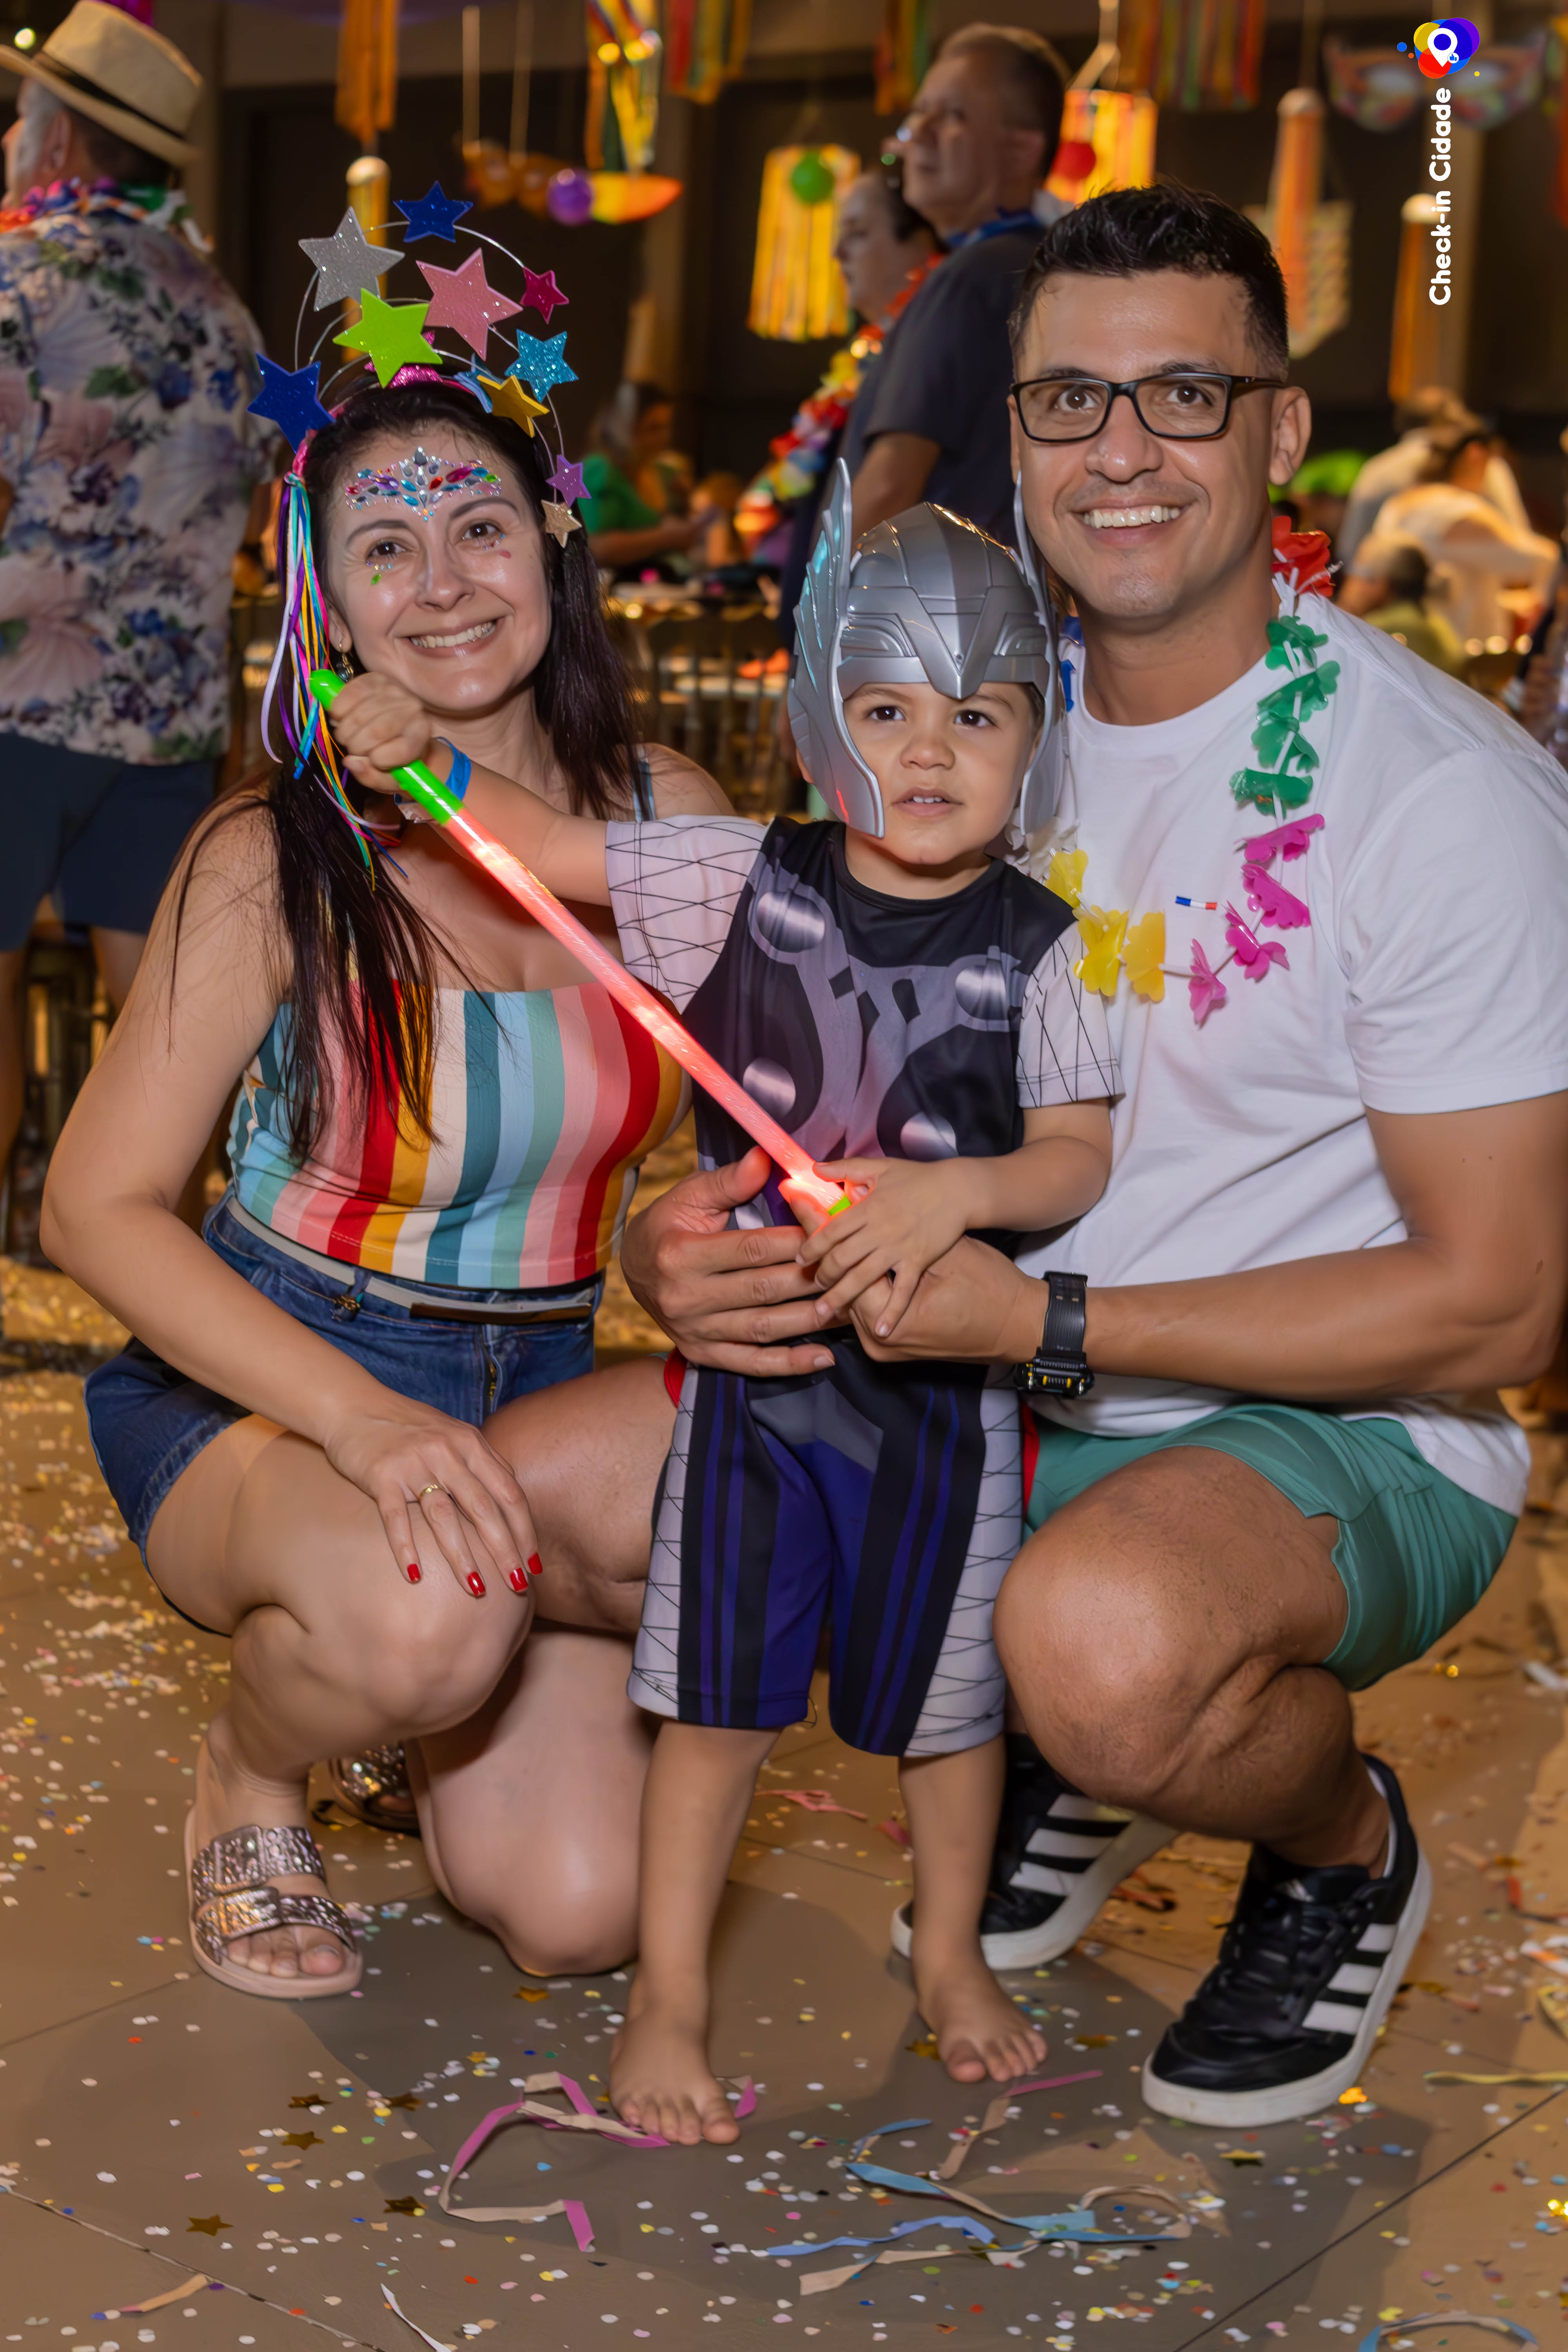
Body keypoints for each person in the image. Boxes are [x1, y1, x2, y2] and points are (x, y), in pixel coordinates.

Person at [610, 183, 1568, 2130]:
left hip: (1328, 1423)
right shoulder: (954, 723)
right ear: (1014, 432)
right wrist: (670, 1240)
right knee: (543, 1497)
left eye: (1180, 395)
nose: (1117, 449)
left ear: (1278, 431)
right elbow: (802, 1059)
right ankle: (1042, 1730)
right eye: (1068, 401)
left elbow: (1497, 1302)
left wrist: (1040, 1322)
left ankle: (1330, 1845)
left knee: (1101, 1643)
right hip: (955, 1371)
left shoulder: (1433, 797)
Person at [325, 480, 1115, 2139]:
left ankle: (951, 1953)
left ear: (1034, 740)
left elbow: (1069, 1154)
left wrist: (956, 1195)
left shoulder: (1053, 943)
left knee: (949, 1715)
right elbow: (534, 843)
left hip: (946, 1417)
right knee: (711, 1715)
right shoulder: (729, 875)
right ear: (822, 721)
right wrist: (414, 747)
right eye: (883, 710)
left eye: (974, 715)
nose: (926, 749)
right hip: (750, 1405)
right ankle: (670, 1996)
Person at [41, 372, 731, 1996]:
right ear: (330, 608)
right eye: (384, 550)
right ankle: (255, 1767)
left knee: (580, 1911)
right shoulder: (272, 855)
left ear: (554, 548)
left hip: (543, 1382)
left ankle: (428, 1677)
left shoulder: (666, 819)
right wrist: (359, 1422)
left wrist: (676, 1240)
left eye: (480, 528)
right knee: (423, 1620)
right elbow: (92, 1207)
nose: (441, 586)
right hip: (278, 1385)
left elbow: (764, 1131)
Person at [0, 2, 268, 1179]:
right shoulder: (222, 307)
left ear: (58, 139)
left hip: (16, 698)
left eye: (20, 116)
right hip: (168, 715)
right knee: (161, 1036)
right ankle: (173, 1274)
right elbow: (250, 512)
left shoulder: (19, 279)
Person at [850, 22, 1064, 542]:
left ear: (1020, 151)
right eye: (919, 111)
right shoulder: (1048, 269)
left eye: (952, 115)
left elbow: (888, 488)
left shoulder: (971, 277)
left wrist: (824, 593)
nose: (917, 132)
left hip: (926, 591)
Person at [739, 167, 939, 631]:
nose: (837, 253)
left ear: (922, 240)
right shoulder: (872, 353)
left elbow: (888, 489)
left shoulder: (925, 345)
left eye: (859, 233)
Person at [1346, 426, 1557, 650]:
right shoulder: (1461, 510)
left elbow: (1438, 583)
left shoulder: (1397, 506)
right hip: (1454, 652)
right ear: (1475, 455)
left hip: (1395, 644)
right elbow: (1545, 560)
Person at [1337, 386, 1530, 570]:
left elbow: (1350, 552)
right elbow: (1521, 543)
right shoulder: (1482, 464)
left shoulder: (1376, 471)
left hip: (1387, 584)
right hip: (1468, 585)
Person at [581, 382, 713, 575]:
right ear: (624, 428)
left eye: (667, 426)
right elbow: (595, 548)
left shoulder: (663, 472)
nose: (665, 437)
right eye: (653, 428)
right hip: (614, 588)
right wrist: (666, 537)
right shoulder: (600, 470)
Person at [1358, 543, 1466, 677]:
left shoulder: (1379, 627)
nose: (1360, 587)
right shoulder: (1435, 620)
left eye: (1369, 579)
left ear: (1383, 581)